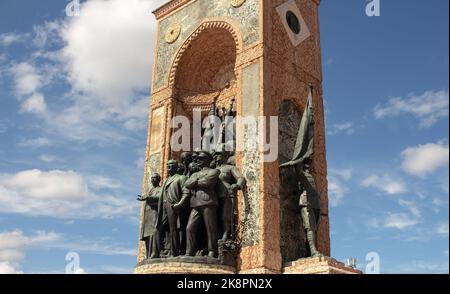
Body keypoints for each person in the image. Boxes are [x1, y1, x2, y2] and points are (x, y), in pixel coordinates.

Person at [184, 152, 220, 258]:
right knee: (189, 228)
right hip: (195, 204)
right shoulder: (194, 174)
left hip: (208, 202)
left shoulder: (214, 171)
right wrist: (197, 181)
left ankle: (212, 251)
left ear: (208, 160)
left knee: (210, 228)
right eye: (198, 159)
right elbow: (187, 184)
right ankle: (189, 251)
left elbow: (208, 183)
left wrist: (195, 182)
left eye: (201, 158)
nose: (198, 161)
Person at [152, 160, 189, 258]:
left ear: (176, 167)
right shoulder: (166, 180)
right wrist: (148, 197)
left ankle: (174, 252)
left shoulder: (181, 178)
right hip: (162, 207)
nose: (168, 166)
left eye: (171, 164)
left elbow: (186, 193)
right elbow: (160, 195)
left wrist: (180, 204)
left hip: (173, 206)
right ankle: (155, 253)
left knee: (173, 229)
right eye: (167, 164)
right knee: (157, 229)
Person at [214, 150, 246, 241]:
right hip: (214, 196)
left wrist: (237, 185)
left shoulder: (230, 168)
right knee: (215, 217)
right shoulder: (213, 169)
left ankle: (226, 235)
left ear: (224, 156)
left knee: (225, 216)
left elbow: (240, 178)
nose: (216, 157)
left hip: (226, 193)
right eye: (215, 155)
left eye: (218, 154)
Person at [137, 173, 161, 259]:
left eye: (154, 178)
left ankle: (155, 252)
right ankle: (148, 255)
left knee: (154, 233)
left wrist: (147, 198)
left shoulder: (160, 189)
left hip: (154, 213)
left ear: (158, 180)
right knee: (147, 235)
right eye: (151, 178)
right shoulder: (151, 190)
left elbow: (159, 198)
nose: (152, 180)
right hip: (148, 215)